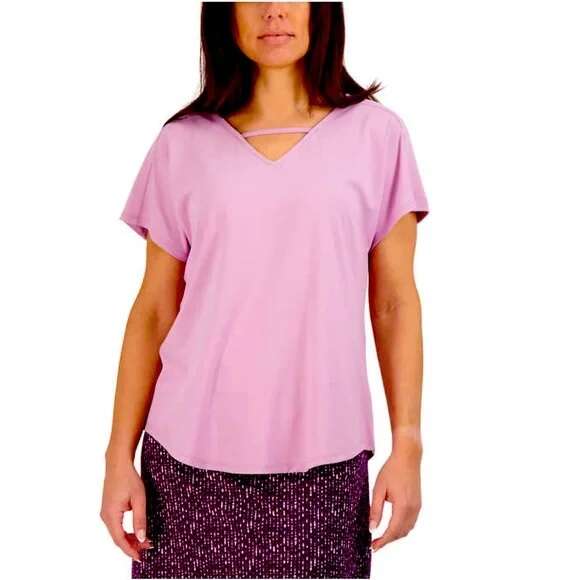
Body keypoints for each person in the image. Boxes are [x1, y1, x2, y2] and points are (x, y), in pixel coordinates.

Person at [100, 2, 429, 578]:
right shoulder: (182, 144)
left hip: (326, 464)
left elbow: (394, 303)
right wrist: (117, 457)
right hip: (186, 464)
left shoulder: (378, 136)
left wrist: (408, 445)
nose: (272, 11)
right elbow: (154, 310)